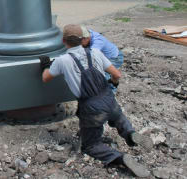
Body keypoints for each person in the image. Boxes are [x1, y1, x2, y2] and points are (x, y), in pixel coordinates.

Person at [40, 24, 152, 178]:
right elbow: (117, 74)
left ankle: (119, 158)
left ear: (63, 40)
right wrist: (114, 83)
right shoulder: (95, 52)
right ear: (82, 39)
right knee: (117, 116)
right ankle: (130, 133)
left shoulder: (62, 60)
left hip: (92, 108)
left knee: (90, 146)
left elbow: (46, 78)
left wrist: (46, 67)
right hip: (108, 98)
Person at [81, 26, 123, 93]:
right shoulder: (86, 33)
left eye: (80, 42)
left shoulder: (97, 42)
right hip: (105, 56)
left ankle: (111, 93)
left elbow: (91, 56)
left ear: (86, 38)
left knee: (103, 77)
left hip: (114, 58)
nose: (79, 44)